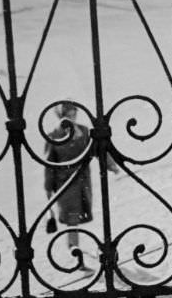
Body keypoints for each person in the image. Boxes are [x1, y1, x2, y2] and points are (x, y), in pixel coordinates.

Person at [44, 101, 118, 268]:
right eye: (68, 114)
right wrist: (48, 187)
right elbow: (49, 165)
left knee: (76, 218)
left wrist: (110, 164)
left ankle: (76, 251)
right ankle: (75, 254)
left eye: (73, 113)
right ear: (61, 116)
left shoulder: (83, 131)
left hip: (83, 183)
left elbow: (97, 150)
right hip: (65, 185)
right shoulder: (54, 136)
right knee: (72, 220)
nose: (72, 116)